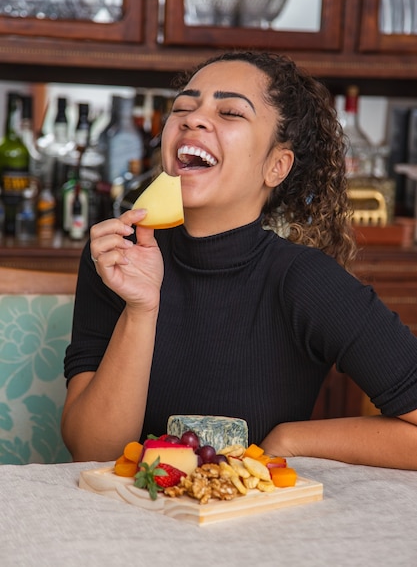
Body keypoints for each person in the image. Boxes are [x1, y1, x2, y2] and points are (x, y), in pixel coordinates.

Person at [62, 51, 417, 468]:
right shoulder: (116, 258)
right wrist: (141, 309)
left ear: (276, 166)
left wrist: (292, 439)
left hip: (252, 529)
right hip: (129, 520)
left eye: (230, 112)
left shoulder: (304, 281)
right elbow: (92, 453)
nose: (192, 119)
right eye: (182, 108)